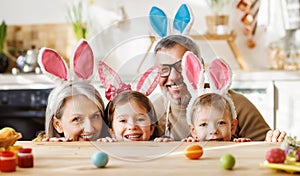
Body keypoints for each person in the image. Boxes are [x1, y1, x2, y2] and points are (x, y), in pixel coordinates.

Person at [152, 34, 285, 141]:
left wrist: (274, 139)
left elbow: (268, 149)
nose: (173, 77)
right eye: (163, 69)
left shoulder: (236, 105)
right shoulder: (152, 111)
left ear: (199, 67)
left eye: (182, 66)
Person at [42, 82, 107, 142]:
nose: (89, 129)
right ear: (58, 125)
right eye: (77, 119)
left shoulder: (112, 143)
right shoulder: (37, 149)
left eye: (95, 116)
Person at [98, 90, 165, 142]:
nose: (132, 126)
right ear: (111, 131)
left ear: (151, 129)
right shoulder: (107, 147)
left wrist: (166, 146)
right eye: (123, 120)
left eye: (140, 119)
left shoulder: (160, 146)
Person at [181, 93, 251, 142]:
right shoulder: (192, 147)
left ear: (232, 127)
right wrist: (186, 146)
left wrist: (244, 146)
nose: (213, 131)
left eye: (220, 123)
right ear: (194, 131)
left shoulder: (236, 145)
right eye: (204, 124)